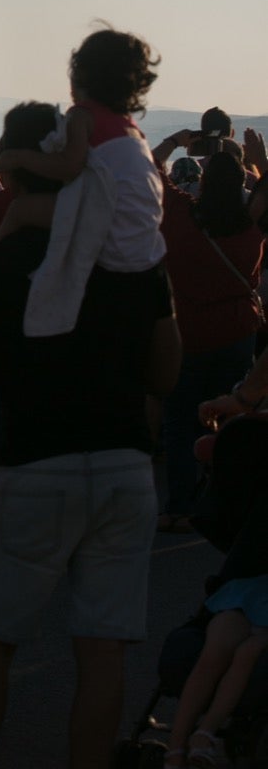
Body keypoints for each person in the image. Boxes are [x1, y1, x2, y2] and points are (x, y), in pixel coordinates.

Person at [0, 100, 181, 769]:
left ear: (11, 174)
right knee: (102, 652)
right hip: (124, 464)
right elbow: (165, 373)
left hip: (35, 464)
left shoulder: (1, 262)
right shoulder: (135, 257)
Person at [0, 26, 166, 336]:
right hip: (141, 243)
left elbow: (68, 167)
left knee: (21, 210)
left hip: (110, 226)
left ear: (81, 76)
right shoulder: (133, 130)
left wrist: (19, 158)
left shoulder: (82, 116)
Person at [152, 139, 265, 531]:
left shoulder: (179, 215)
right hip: (237, 331)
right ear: (241, 184)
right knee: (232, 420)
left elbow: (150, 169)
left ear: (204, 181)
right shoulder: (252, 226)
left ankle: (181, 506)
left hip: (188, 332)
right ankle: (228, 503)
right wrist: (259, 161)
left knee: (180, 420)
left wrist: (173, 142)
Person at [166, 576, 268, 766]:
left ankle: (205, 733)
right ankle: (175, 749)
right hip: (251, 595)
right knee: (213, 654)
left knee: (249, 652)